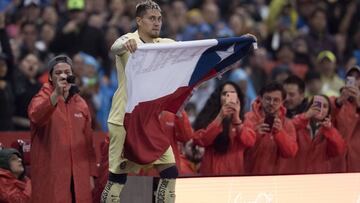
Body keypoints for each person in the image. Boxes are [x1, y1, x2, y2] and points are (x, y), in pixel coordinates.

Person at [101, 1, 178, 203]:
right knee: (118, 178)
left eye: (159, 19)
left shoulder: (164, 45)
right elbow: (114, 47)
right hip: (123, 120)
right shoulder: (129, 41)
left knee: (170, 170)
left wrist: (238, 42)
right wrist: (127, 45)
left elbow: (195, 49)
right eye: (152, 18)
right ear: (139, 21)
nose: (157, 22)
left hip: (148, 122)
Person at [28, 55, 98, 203]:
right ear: (51, 78)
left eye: (67, 72)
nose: (63, 76)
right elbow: (36, 117)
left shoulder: (81, 104)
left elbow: (88, 145)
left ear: (73, 76)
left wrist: (91, 174)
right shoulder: (41, 98)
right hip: (52, 174)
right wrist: (55, 95)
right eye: (58, 73)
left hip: (79, 176)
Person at [192, 81, 255, 175]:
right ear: (218, 97)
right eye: (224, 94)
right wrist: (220, 117)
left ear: (238, 98)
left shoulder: (245, 120)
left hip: (234, 175)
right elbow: (201, 141)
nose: (227, 97)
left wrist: (237, 120)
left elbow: (250, 142)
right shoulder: (208, 118)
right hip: (210, 173)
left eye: (232, 94)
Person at [242, 82, 298, 175]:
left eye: (276, 100)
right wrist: (256, 135)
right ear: (260, 98)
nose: (271, 103)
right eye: (268, 99)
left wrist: (279, 133)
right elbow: (237, 150)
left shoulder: (287, 124)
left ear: (282, 102)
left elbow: (290, 153)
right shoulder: (247, 119)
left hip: (275, 179)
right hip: (249, 177)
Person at [290, 95, 346, 174]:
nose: (320, 109)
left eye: (325, 106)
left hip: (319, 177)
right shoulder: (299, 121)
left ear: (328, 112)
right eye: (317, 105)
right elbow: (287, 130)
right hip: (296, 174)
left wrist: (329, 130)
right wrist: (305, 117)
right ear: (310, 107)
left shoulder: (330, 129)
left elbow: (339, 151)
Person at [331, 65, 360, 172]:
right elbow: (325, 119)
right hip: (337, 161)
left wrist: (359, 103)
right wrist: (339, 102)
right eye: (351, 77)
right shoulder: (334, 101)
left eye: (357, 78)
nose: (354, 81)